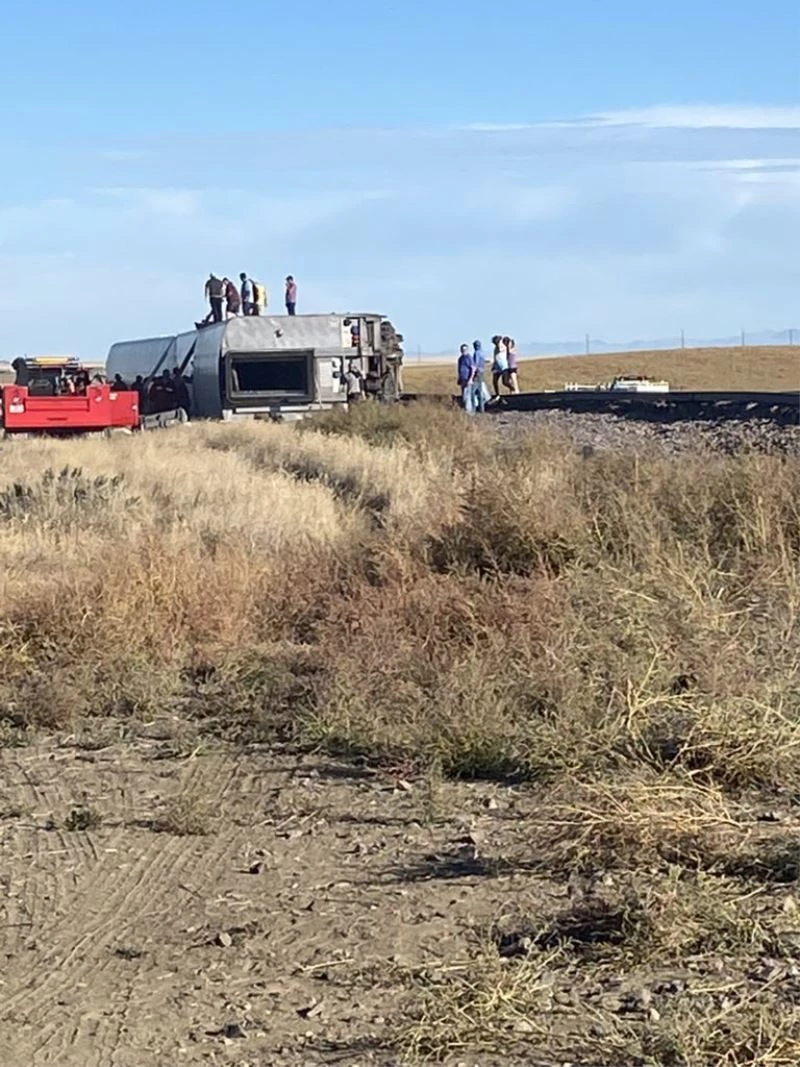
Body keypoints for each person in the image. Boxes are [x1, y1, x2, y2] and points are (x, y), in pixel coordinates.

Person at [457, 344, 475, 414]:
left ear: (467, 350)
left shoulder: (469, 358)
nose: (463, 351)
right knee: (464, 396)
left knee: (467, 396)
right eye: (462, 349)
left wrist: (470, 379)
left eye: (465, 349)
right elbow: (459, 369)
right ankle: (467, 410)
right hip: (462, 379)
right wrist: (459, 378)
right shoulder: (460, 358)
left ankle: (469, 411)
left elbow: (473, 368)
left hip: (468, 379)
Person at [471, 340, 486, 413]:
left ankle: (473, 409)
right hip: (482, 372)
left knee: (473, 391)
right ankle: (481, 408)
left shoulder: (476, 353)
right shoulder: (482, 352)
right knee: (480, 391)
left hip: (477, 372)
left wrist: (473, 374)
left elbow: (475, 364)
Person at [490, 335, 508, 399]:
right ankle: (497, 395)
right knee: (494, 381)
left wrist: (499, 341)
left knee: (505, 382)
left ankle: (513, 389)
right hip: (497, 367)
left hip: (503, 367)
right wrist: (493, 366)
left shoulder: (502, 346)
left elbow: (500, 349)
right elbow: (496, 357)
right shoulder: (495, 348)